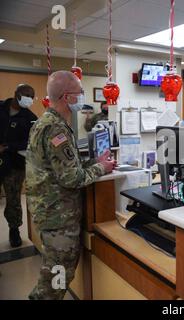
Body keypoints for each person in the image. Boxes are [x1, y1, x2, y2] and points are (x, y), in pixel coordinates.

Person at [26, 71, 116, 300]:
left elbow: (64, 166)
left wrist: (95, 162)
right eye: (80, 93)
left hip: (50, 212)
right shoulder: (56, 129)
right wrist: (101, 169)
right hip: (58, 216)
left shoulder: (44, 122)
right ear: (67, 97)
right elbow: (72, 178)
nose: (82, 97)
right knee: (56, 279)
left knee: (55, 273)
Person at [0, 84, 38, 248]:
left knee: (14, 199)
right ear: (16, 94)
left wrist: (8, 146)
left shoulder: (30, 117)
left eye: (32, 95)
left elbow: (31, 141)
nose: (29, 97)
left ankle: (14, 229)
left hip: (15, 164)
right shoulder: (1, 108)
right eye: (26, 94)